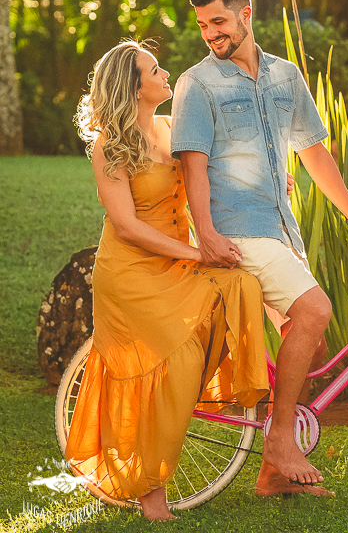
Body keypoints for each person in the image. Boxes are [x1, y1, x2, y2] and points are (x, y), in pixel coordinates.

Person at [170, 0, 348, 498]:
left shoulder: (286, 76)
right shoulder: (197, 84)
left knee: (310, 344)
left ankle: (273, 475)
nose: (211, 34)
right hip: (239, 234)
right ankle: (281, 441)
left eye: (218, 22)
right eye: (203, 25)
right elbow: (193, 168)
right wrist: (206, 233)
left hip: (282, 231)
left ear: (246, 14)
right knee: (315, 310)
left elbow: (313, 152)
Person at [65, 41, 269, 522]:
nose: (165, 74)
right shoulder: (110, 147)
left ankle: (233, 393)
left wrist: (264, 182)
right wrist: (199, 253)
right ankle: (150, 493)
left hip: (176, 262)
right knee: (176, 362)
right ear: (134, 87)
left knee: (241, 285)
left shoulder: (172, 127)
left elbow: (214, 171)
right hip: (132, 273)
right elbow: (127, 226)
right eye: (154, 70)